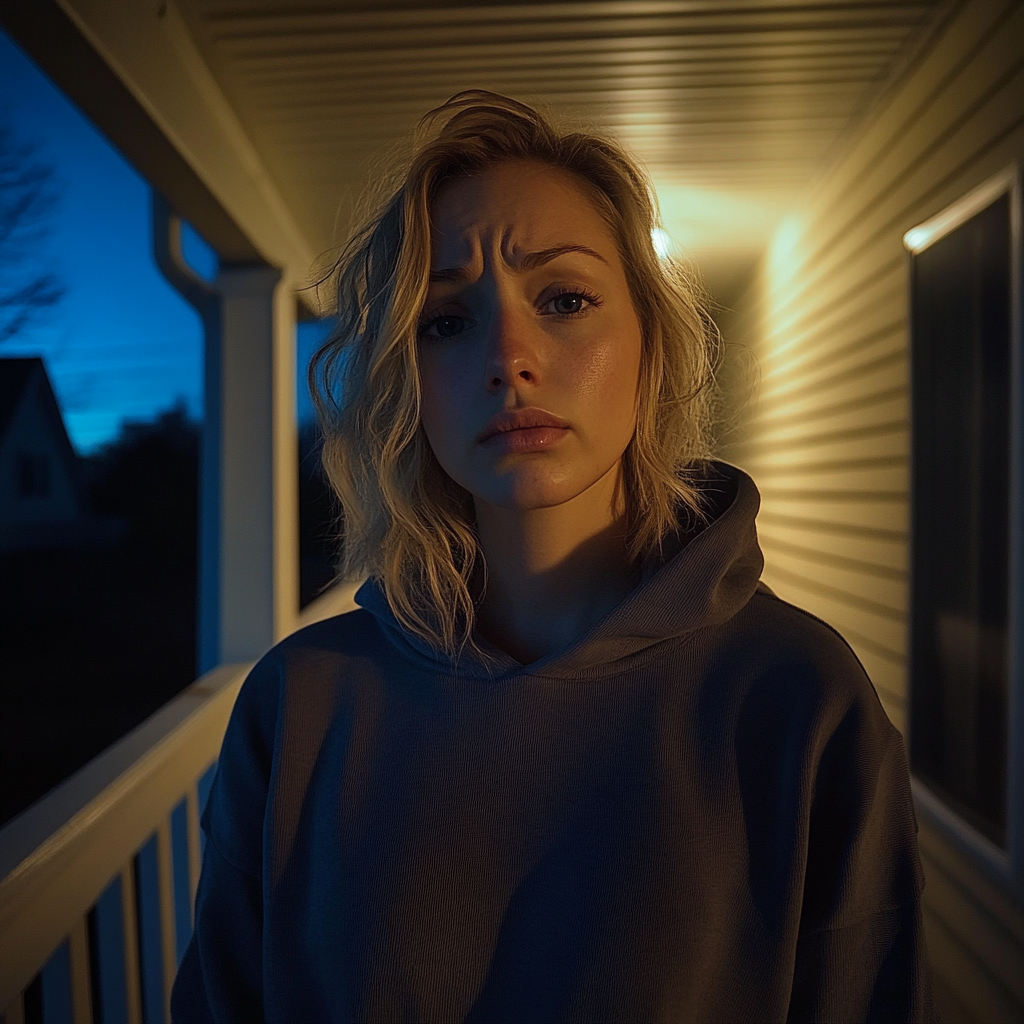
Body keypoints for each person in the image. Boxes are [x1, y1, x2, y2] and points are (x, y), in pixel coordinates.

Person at [171, 92, 936, 1023]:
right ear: (405, 380)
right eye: (446, 320)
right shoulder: (300, 705)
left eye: (565, 299)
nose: (510, 356)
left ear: (650, 345)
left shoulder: (796, 697)